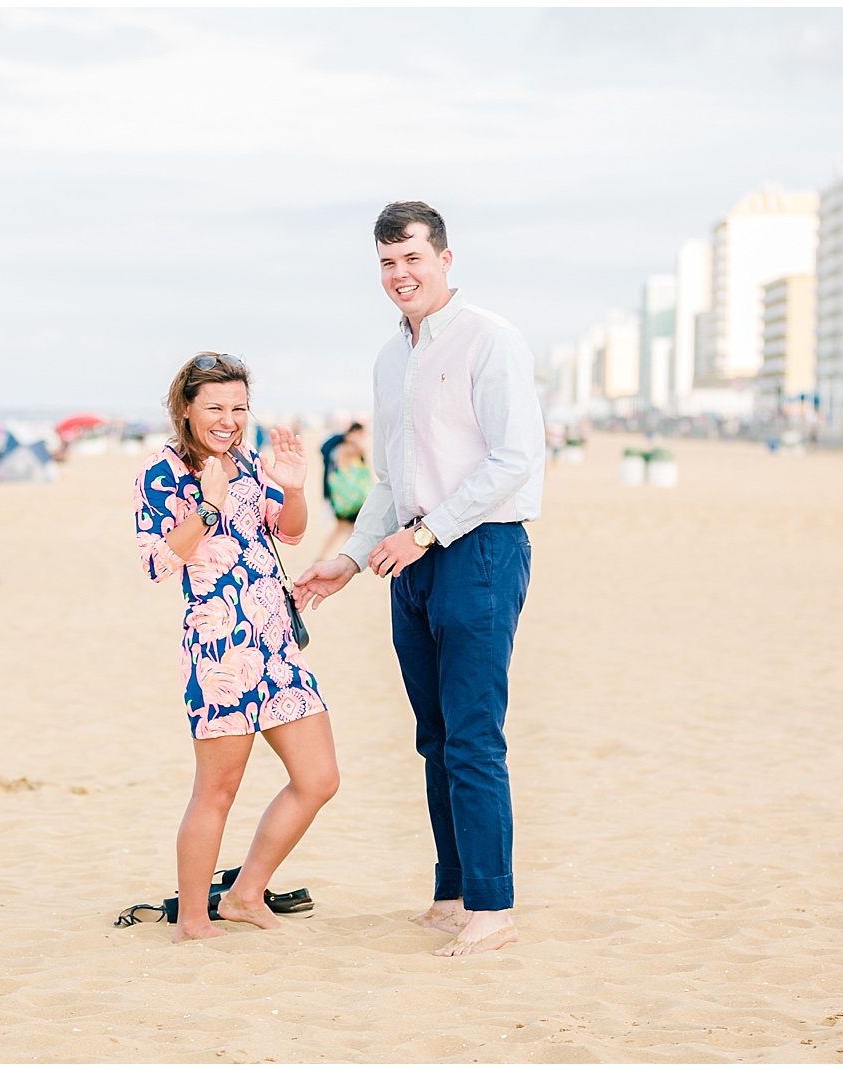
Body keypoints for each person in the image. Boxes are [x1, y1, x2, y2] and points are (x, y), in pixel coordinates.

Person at [293, 202, 546, 957]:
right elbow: (390, 476)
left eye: (412, 258)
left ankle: (493, 907)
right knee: (433, 738)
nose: (399, 275)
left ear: (444, 257)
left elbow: (513, 460)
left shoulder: (490, 339)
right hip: (410, 555)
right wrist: (348, 558)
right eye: (386, 263)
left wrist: (427, 530)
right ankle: (452, 890)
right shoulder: (388, 357)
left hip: (481, 551)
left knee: (473, 737)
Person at [134, 352, 339, 943]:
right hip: (219, 651)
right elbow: (157, 563)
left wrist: (294, 488)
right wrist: (208, 501)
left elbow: (290, 530)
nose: (229, 419)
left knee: (319, 778)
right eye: (216, 407)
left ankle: (246, 893)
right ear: (186, 408)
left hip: (276, 644)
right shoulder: (162, 471)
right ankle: (195, 920)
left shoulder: (249, 460)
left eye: (239, 407)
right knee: (218, 791)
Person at [315, 422, 373, 564]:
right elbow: (362, 451)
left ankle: (329, 556)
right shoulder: (346, 449)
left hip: (343, 497)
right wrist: (352, 440)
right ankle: (349, 556)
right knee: (346, 528)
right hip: (348, 498)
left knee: (343, 528)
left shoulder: (338, 448)